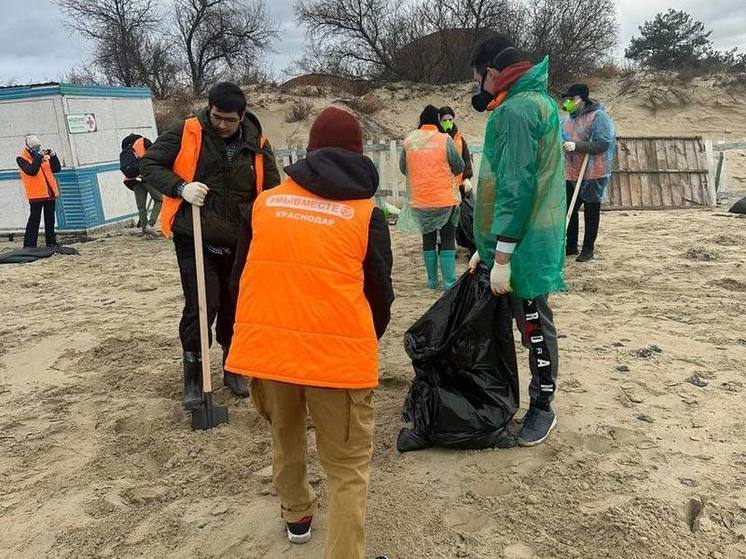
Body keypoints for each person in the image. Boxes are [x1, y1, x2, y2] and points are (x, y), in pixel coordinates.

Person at [225, 107, 394, 559]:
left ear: (310, 152)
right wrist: (361, 340)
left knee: (285, 432)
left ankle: (296, 512)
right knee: (348, 469)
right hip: (336, 360)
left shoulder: (266, 204)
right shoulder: (365, 214)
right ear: (358, 155)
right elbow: (381, 293)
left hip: (270, 352)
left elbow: (238, 280)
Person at [140, 82, 281, 406]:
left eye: (228, 120)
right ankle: (193, 376)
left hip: (241, 240)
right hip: (195, 235)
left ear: (241, 116)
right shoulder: (188, 131)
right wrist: (180, 187)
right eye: (216, 117)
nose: (221, 125)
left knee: (235, 306)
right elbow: (149, 164)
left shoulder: (257, 142)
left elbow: (272, 188)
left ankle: (233, 367)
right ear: (210, 110)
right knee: (203, 303)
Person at [467, 35, 566, 447]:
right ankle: (518, 398)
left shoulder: (517, 110)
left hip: (522, 241)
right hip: (519, 235)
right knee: (526, 320)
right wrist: (487, 245)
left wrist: (503, 253)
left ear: (491, 73)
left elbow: (516, 186)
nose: (478, 86)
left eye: (477, 77)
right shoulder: (537, 101)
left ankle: (542, 405)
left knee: (532, 325)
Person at [399, 105, 465, 289]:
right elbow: (459, 166)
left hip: (420, 200)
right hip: (444, 199)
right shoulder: (444, 140)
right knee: (447, 238)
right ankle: (449, 282)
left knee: (427, 238)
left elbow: (404, 169)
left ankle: (432, 281)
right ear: (437, 120)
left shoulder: (409, 141)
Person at [560, 83, 616, 262]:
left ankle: (588, 249)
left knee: (591, 209)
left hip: (593, 171)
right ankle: (571, 246)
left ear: (581, 99)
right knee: (569, 208)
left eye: (571, 99)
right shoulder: (567, 120)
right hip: (572, 171)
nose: (568, 102)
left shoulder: (598, 117)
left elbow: (602, 143)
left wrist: (577, 146)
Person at [17, 135, 61, 248]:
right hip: (36, 195)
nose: (38, 149)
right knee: (34, 220)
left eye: (39, 146)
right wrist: (37, 157)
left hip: (49, 193)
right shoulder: (21, 158)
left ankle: (51, 242)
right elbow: (32, 171)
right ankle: (29, 245)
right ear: (28, 148)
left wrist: (53, 156)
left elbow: (56, 169)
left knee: (50, 219)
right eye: (35, 147)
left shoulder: (44, 157)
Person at [120, 134, 162, 235]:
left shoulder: (126, 150)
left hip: (133, 180)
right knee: (159, 200)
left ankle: (144, 230)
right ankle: (150, 224)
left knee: (141, 207)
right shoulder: (143, 141)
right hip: (146, 176)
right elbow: (155, 153)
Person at [438, 106, 474, 195]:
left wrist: (466, 178)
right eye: (444, 120)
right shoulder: (436, 139)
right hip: (441, 187)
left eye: (450, 120)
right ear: (439, 122)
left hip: (459, 187)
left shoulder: (460, 140)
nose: (448, 122)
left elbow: (466, 159)